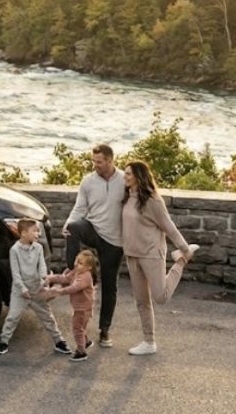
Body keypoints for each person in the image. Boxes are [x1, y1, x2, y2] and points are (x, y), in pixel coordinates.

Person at [121, 160, 200, 356]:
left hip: (151, 253)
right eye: (125, 173)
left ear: (139, 176)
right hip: (132, 255)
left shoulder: (153, 201)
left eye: (129, 174)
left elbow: (168, 226)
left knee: (161, 297)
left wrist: (184, 248)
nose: (125, 177)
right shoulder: (127, 197)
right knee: (142, 301)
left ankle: (180, 260)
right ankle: (149, 342)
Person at [63, 143, 126, 348]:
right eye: (94, 161)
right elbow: (80, 208)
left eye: (99, 162)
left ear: (110, 160)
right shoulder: (88, 182)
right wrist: (67, 225)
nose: (95, 165)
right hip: (93, 229)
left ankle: (104, 330)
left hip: (114, 240)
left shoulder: (125, 180)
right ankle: (72, 273)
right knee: (73, 227)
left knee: (110, 286)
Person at [0, 219, 70, 356]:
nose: (38, 234)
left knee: (47, 317)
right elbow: (15, 274)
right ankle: (3, 341)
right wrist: (23, 290)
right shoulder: (14, 250)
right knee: (13, 317)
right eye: (34, 231)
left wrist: (43, 281)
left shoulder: (38, 248)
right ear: (23, 233)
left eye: (38, 231)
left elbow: (41, 267)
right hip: (20, 291)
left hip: (36, 289)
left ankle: (59, 342)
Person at [46, 249, 99, 362]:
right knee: (80, 327)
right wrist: (50, 277)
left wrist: (59, 291)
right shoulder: (76, 272)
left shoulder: (85, 276)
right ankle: (86, 342)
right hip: (81, 307)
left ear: (89, 267)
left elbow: (73, 288)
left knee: (77, 328)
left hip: (83, 309)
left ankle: (81, 352)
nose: (76, 264)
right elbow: (64, 278)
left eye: (80, 263)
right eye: (76, 260)